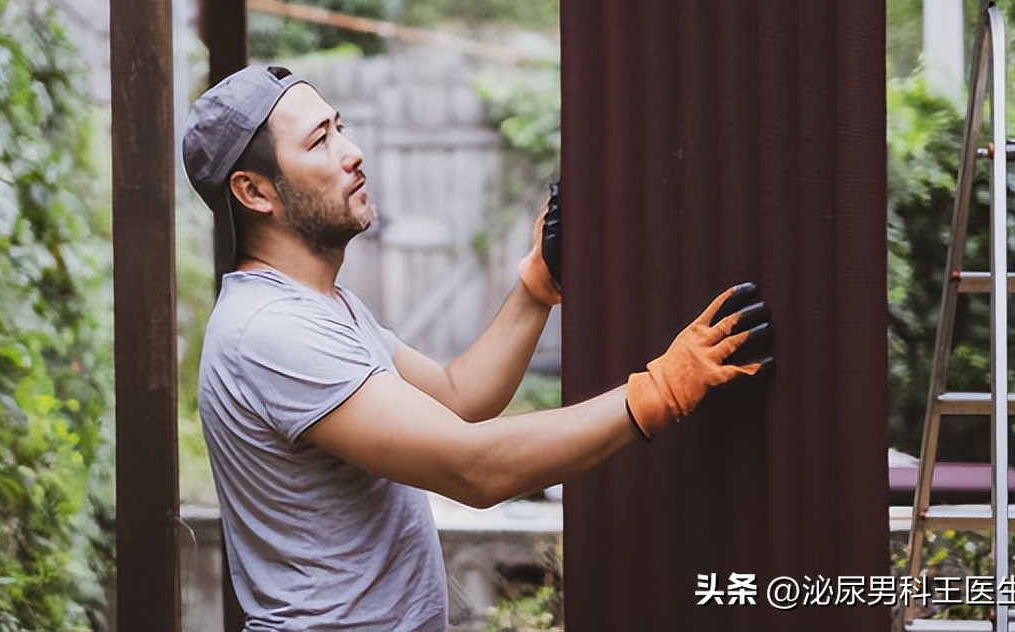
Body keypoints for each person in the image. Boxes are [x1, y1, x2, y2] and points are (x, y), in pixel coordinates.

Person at [182, 64, 773, 632]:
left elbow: (457, 398)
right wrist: (658, 392)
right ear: (254, 190)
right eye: (319, 142)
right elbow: (474, 468)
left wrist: (537, 287)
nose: (352, 151)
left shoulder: (326, 308)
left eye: (340, 127)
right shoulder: (271, 333)